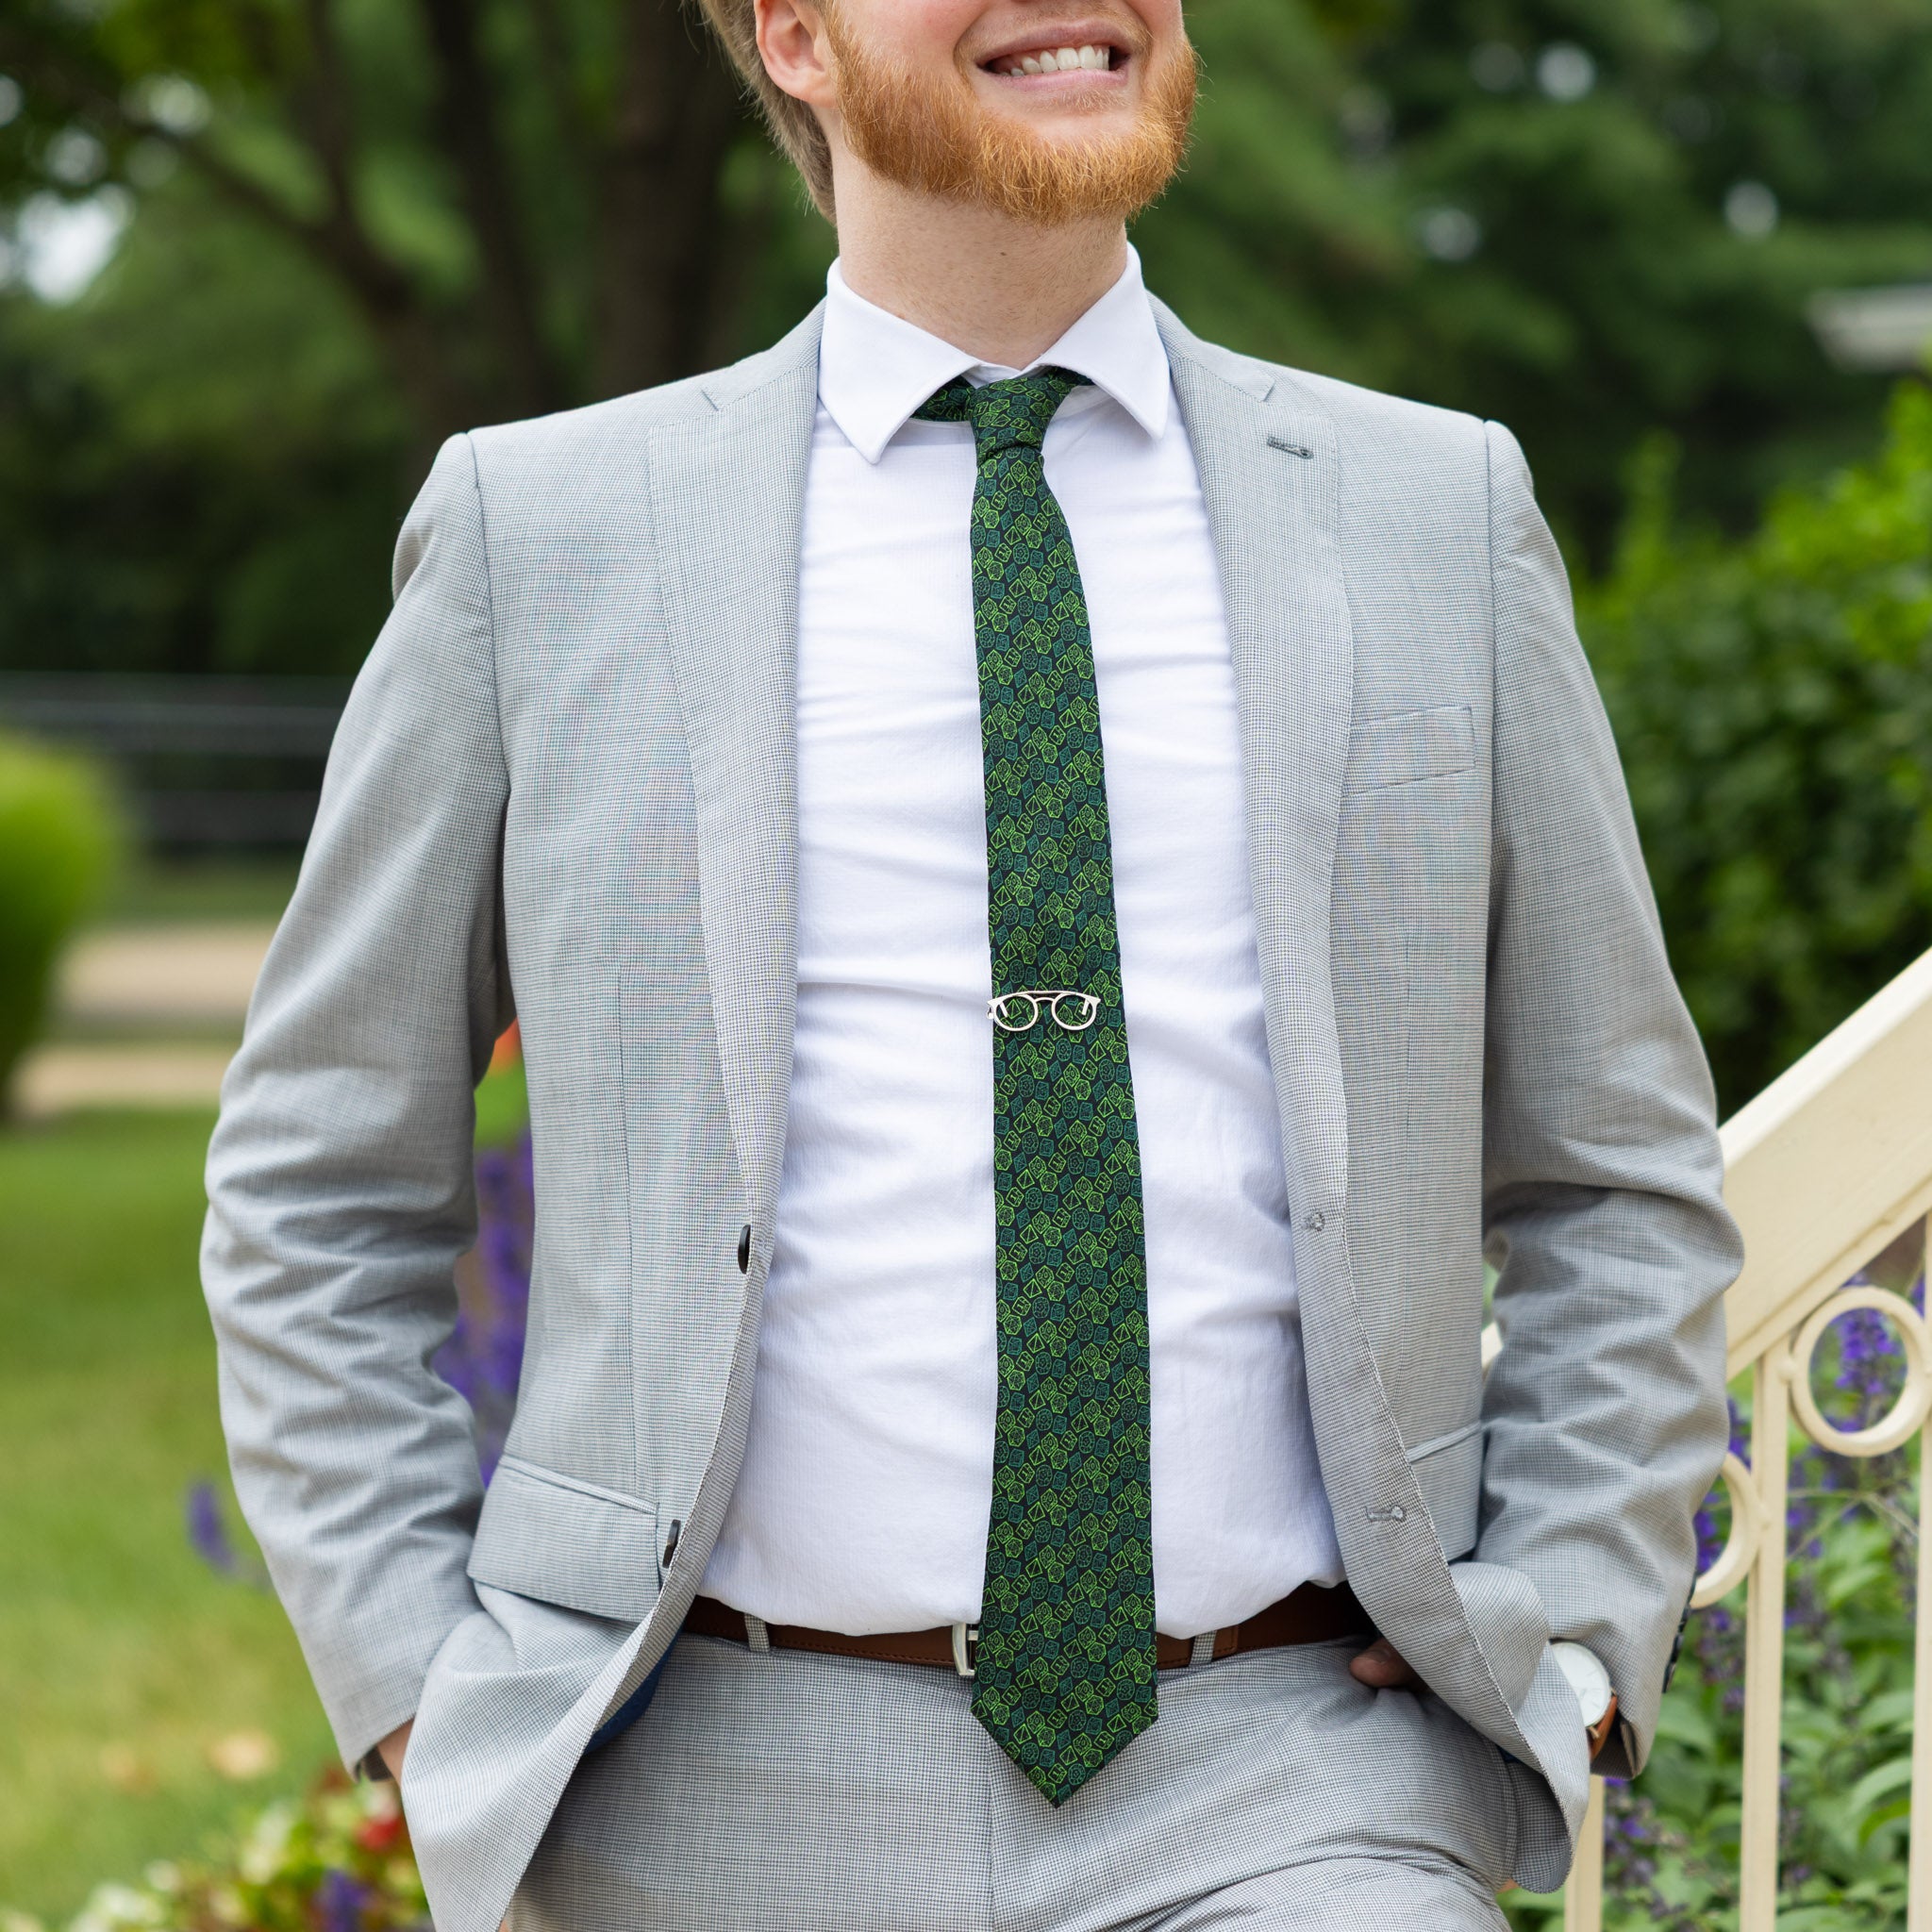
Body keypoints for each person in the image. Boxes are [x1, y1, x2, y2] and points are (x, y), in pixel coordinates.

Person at [201, 2, 1741, 1927]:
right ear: (793, 32)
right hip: (691, 1789)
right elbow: (317, 1178)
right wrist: (427, 1690)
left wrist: (1577, 1625)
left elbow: (1614, 1164)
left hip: (1296, 1776)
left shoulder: (1438, 513)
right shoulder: (546, 535)